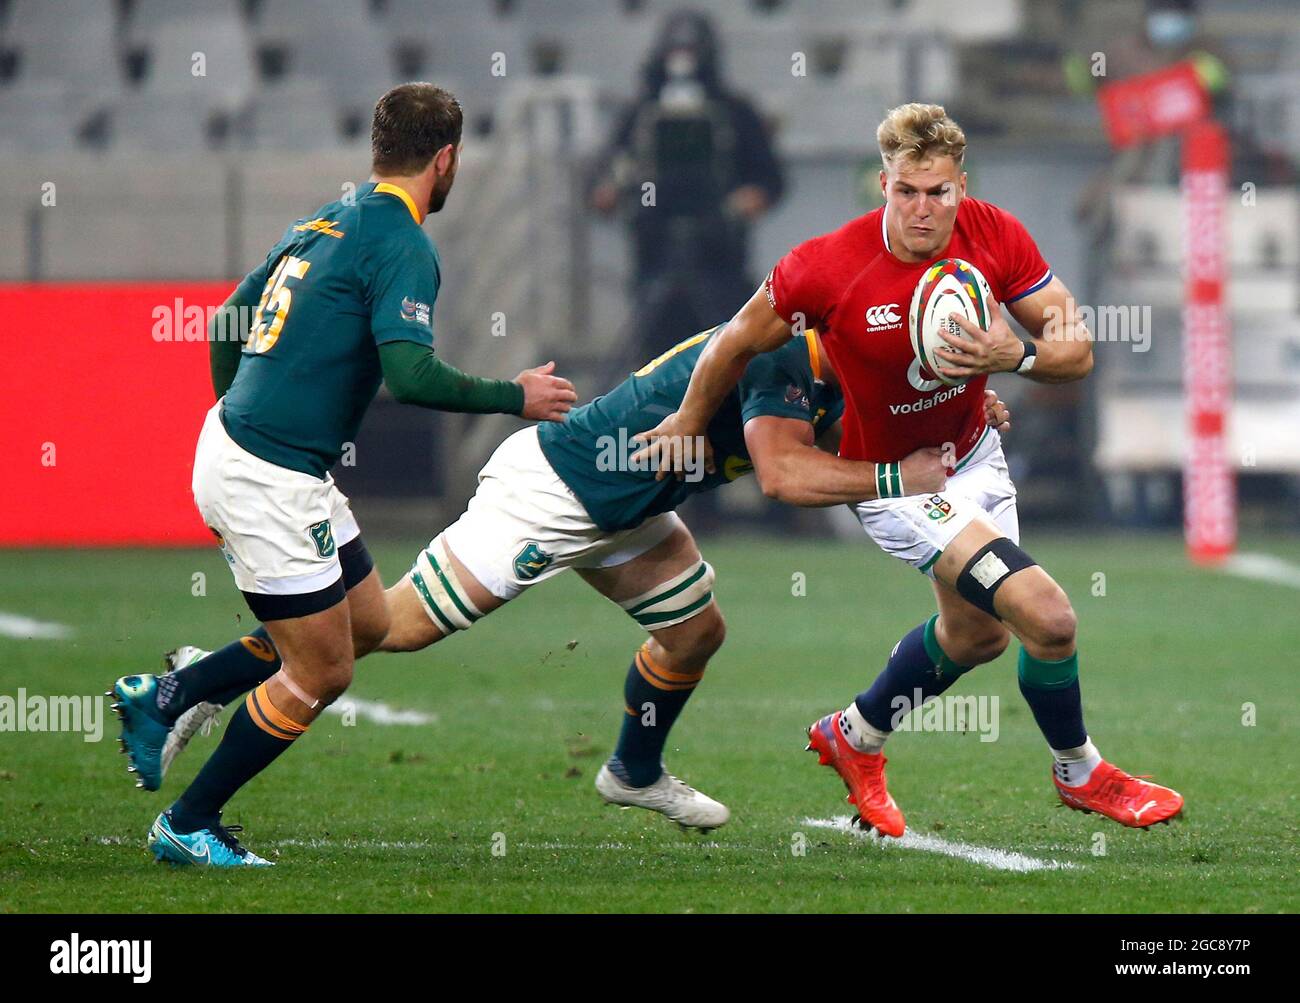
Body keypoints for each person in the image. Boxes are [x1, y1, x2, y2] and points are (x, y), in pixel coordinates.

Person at [145, 326, 1013, 832]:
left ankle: (634, 771)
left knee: (695, 630)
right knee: (379, 628)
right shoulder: (781, 356)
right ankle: (187, 684)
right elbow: (790, 476)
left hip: (626, 507)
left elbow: (871, 417)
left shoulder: (834, 360)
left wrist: (966, 412)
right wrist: (910, 476)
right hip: (555, 494)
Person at [636, 103, 1184, 835]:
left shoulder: (996, 233)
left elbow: (1073, 344)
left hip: (973, 457)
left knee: (979, 637)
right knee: (1049, 617)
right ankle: (1080, 771)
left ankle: (854, 734)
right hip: (897, 481)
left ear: (962, 184)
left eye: (939, 192)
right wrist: (688, 417)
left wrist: (1010, 356)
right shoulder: (825, 264)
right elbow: (734, 341)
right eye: (905, 191)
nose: (922, 210)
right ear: (882, 184)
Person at [109, 82, 576, 867]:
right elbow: (413, 374)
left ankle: (178, 690)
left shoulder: (327, 217)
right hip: (268, 475)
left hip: (262, 456)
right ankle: (188, 821)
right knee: (323, 668)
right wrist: (514, 395)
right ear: (447, 159)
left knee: (369, 624)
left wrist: (244, 406)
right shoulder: (403, 243)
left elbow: (228, 317)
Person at [589, 8, 784, 362]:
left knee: (726, 355)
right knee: (656, 361)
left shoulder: (735, 113)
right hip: (654, 254)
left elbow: (770, 179)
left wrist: (748, 199)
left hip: (719, 257)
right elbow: (602, 180)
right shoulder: (640, 115)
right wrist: (611, 190)